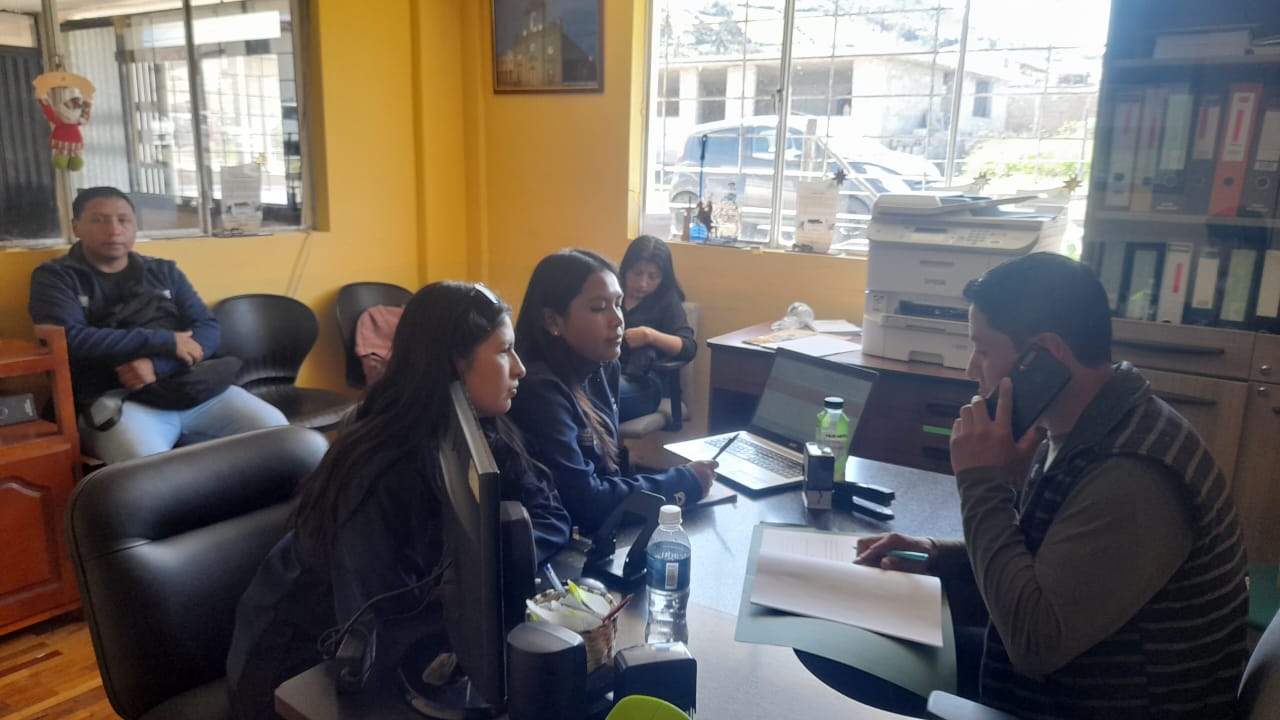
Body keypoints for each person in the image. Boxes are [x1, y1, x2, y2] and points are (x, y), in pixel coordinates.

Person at [856, 252, 1247, 719]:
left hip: (1087, 703)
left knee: (849, 664)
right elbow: (1043, 567)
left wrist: (983, 485)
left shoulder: (1133, 473)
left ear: (1043, 354)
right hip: (1069, 685)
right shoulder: (1083, 426)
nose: (971, 371)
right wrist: (934, 555)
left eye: (983, 350)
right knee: (860, 635)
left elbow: (1034, 644)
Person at [226, 281, 571, 720]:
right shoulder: (382, 466)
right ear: (454, 363)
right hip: (295, 672)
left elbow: (550, 513)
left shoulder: (480, 428)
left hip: (402, 640)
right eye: (504, 351)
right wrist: (475, 572)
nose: (520, 368)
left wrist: (488, 562)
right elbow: (374, 616)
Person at [28, 186, 288, 463]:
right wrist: (165, 340)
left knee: (281, 436)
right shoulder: (56, 277)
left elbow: (207, 328)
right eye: (99, 220)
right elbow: (70, 340)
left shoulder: (163, 271)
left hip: (191, 387)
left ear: (134, 226)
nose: (114, 230)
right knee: (150, 466)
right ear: (76, 227)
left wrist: (158, 365)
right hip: (117, 398)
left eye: (123, 220)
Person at [508, 249, 716, 535]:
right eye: (599, 308)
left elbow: (609, 474)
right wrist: (683, 481)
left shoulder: (603, 366)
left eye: (618, 304)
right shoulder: (538, 391)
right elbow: (585, 504)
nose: (618, 320)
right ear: (553, 321)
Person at [616, 235, 696, 422]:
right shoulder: (611, 292)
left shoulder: (666, 300)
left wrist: (650, 336)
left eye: (653, 277)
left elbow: (688, 348)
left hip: (645, 383)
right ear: (626, 269)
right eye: (637, 273)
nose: (643, 283)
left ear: (663, 278)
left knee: (595, 394)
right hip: (604, 373)